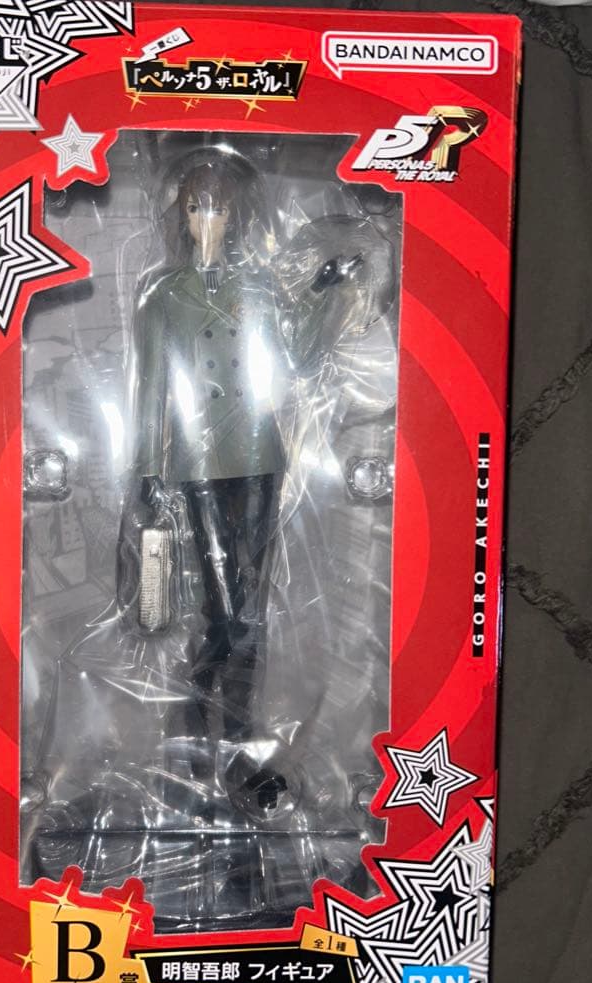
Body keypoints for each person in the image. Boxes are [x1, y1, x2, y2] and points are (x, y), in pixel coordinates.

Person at [121, 153, 364, 815]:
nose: (208, 220)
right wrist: (146, 474)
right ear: (181, 216)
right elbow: (150, 393)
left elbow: (298, 357)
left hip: (258, 455)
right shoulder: (163, 297)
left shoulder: (256, 285)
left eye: (219, 207)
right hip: (198, 464)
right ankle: (213, 742)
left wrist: (323, 289)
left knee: (245, 614)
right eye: (196, 207)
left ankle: (218, 743)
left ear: (235, 216)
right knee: (225, 614)